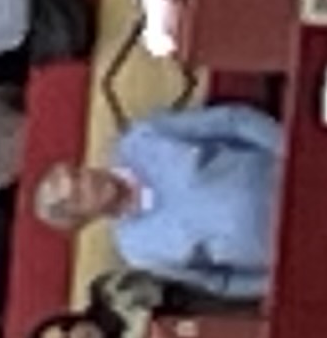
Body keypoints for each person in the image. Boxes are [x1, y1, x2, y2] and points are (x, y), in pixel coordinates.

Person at [30, 103, 278, 299]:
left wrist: (291, 149)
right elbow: (219, 282)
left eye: (78, 175)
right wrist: (279, 281)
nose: (88, 182)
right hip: (282, 248)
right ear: (84, 220)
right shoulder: (139, 252)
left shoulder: (144, 137)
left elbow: (233, 121)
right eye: (79, 196)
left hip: (290, 176)